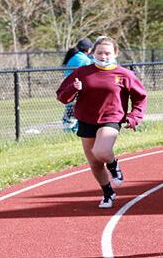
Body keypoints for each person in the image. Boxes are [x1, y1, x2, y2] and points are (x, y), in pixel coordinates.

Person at [55, 36, 147, 209]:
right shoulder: (82, 73)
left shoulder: (125, 74)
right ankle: (108, 193)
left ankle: (114, 166)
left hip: (111, 118)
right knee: (95, 163)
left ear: (115, 53)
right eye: (99, 53)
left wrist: (134, 117)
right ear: (93, 53)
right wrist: (74, 88)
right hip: (86, 120)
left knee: (102, 151)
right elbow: (62, 96)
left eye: (107, 53)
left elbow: (140, 97)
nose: (103, 56)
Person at [60, 38, 94, 133]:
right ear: (88, 49)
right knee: (76, 109)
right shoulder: (85, 59)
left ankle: (69, 129)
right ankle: (72, 130)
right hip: (75, 86)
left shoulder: (74, 56)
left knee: (71, 108)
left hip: (69, 86)